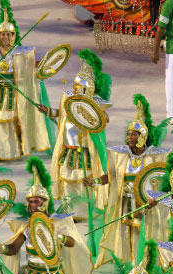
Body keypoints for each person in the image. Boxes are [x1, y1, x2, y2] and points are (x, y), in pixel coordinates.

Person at [86, 93, 170, 267]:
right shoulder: (121, 156)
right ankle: (129, 262)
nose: (130, 138)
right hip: (125, 202)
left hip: (145, 204)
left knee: (144, 234)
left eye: (134, 135)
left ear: (143, 137)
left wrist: (156, 199)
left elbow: (162, 180)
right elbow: (110, 177)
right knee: (125, 232)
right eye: (129, 134)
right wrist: (94, 182)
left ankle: (144, 261)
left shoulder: (156, 157)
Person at [0, 1, 50, 161]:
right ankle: (0, 151)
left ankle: (13, 151)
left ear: (14, 36)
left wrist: (47, 64)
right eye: (3, 34)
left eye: (9, 34)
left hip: (15, 92)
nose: (5, 37)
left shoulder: (21, 53)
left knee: (14, 120)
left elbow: (32, 66)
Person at [42, 49, 111, 221]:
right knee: (68, 179)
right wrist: (49, 111)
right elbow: (63, 115)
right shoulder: (68, 99)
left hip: (86, 152)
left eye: (77, 86)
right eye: (73, 85)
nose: (73, 87)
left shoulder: (96, 104)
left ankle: (85, 212)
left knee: (84, 180)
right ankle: (68, 210)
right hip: (69, 149)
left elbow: (103, 121)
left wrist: (98, 116)